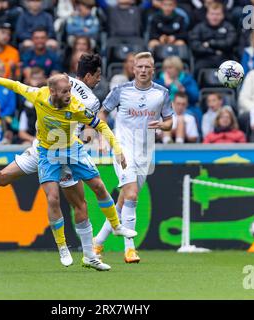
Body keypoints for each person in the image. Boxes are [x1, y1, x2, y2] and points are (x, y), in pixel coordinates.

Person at [0, 53, 136, 270]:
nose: (99, 80)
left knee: (3, 179)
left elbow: (18, 85)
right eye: (98, 75)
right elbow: (83, 125)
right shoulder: (86, 99)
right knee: (78, 205)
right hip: (54, 153)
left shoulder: (63, 83)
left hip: (52, 149)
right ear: (88, 75)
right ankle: (85, 254)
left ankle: (91, 254)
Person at [94, 52, 174, 263]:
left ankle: (98, 242)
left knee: (122, 202)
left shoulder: (162, 93)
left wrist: (162, 125)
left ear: (153, 70)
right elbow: (102, 113)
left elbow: (169, 122)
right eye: (140, 67)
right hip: (122, 149)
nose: (143, 70)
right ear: (133, 69)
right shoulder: (120, 91)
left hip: (145, 153)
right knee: (131, 195)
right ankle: (129, 249)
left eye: (148, 67)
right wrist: (103, 138)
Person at [189, 2, 237, 75]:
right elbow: (195, 45)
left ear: (222, 15)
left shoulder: (228, 27)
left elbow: (229, 43)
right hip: (205, 58)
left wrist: (210, 43)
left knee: (233, 69)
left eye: (217, 14)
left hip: (224, 58)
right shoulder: (199, 27)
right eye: (212, 14)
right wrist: (214, 51)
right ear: (207, 15)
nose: (214, 17)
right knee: (197, 68)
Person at [155, 56, 200, 121]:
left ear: (177, 68)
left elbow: (195, 97)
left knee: (193, 114)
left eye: (170, 68)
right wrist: (166, 86)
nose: (167, 70)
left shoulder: (187, 79)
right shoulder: (159, 81)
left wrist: (184, 90)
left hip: (184, 108)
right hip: (164, 110)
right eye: (165, 68)